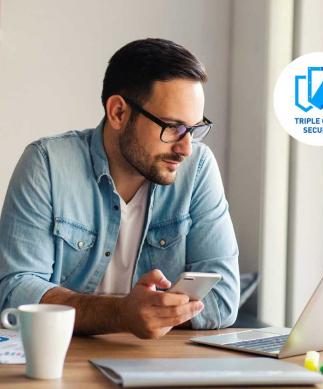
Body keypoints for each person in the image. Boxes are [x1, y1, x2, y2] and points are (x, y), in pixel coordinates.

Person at [0, 38, 239, 338]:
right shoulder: (47, 164)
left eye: (193, 129)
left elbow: (223, 299)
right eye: (173, 127)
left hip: (161, 364)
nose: (186, 148)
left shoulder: (198, 170)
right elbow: (15, 290)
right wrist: (121, 314)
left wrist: (145, 314)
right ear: (118, 113)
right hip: (64, 363)